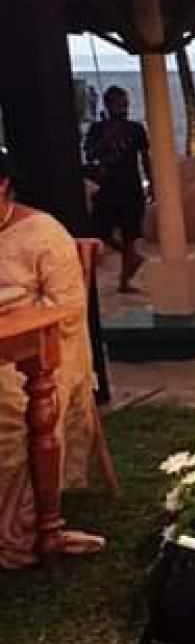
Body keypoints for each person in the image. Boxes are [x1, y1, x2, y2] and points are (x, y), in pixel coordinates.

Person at [0, 150, 105, 567]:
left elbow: (68, 311)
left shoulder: (43, 232)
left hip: (42, 351)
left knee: (12, 410)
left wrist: (14, 315)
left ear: (4, 186)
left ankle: (24, 525)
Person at [84, 86, 149, 293]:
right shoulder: (97, 129)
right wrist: (106, 139)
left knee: (130, 235)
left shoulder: (135, 129)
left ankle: (124, 280)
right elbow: (90, 155)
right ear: (108, 105)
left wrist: (152, 183)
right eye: (119, 104)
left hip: (131, 187)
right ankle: (130, 257)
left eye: (125, 104)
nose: (123, 108)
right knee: (99, 231)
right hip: (108, 188)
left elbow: (145, 157)